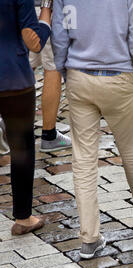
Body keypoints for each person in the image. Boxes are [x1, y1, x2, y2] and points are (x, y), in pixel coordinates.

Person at [52, 0, 133, 260]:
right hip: (120, 75)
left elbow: (59, 32)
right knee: (132, 149)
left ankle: (89, 237)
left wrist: (64, 69)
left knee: (84, 160)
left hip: (79, 75)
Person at [0, 0, 52, 235]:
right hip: (13, 77)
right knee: (21, 148)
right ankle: (23, 217)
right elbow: (34, 41)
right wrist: (46, 13)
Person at [30, 1, 72, 152]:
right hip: (48, 9)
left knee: (24, 65)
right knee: (53, 69)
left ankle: (7, 125)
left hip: (22, 8)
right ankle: (49, 135)